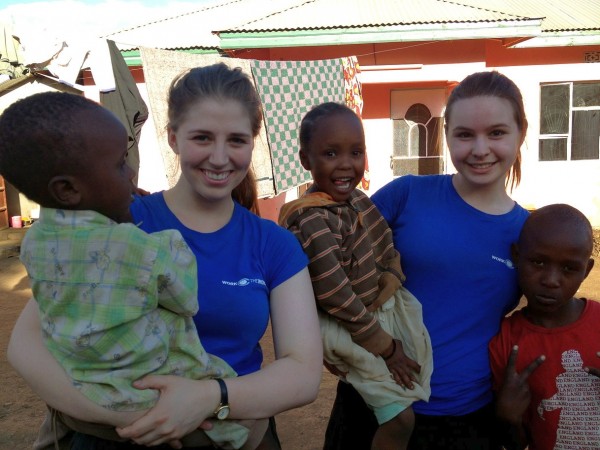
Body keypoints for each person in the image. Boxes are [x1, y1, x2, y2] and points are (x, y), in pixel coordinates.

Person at [7, 63, 323, 449]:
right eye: (203, 138)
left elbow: (303, 372)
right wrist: (132, 415)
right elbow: (26, 344)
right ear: (173, 138)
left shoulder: (274, 244)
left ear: (253, 143)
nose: (220, 158)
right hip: (115, 435)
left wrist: (208, 399)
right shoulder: (115, 220)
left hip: (229, 431)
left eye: (237, 140)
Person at [322, 70, 531, 450]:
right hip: (373, 404)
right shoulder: (406, 194)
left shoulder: (530, 235)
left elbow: (546, 321)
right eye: (465, 134)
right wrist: (324, 337)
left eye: (497, 133)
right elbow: (326, 257)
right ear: (447, 135)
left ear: (521, 133)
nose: (480, 149)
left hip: (463, 419)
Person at [278, 102, 433, 450]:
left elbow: (386, 244)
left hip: (373, 311)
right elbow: (336, 297)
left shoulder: (359, 201)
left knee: (414, 373)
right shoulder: (312, 219)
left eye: (356, 152)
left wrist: (392, 274)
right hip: (345, 323)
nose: (346, 164)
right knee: (400, 417)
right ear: (306, 160)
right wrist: (386, 346)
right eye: (331, 153)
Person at [489, 203, 600, 450]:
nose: (551, 280)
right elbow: (516, 443)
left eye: (569, 268)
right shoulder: (506, 341)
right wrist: (508, 417)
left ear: (587, 270)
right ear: (517, 257)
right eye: (538, 263)